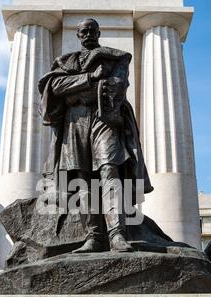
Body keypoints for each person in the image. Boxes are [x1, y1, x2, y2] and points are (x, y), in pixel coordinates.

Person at [39, 19, 153, 253]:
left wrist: (77, 89)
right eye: (84, 31)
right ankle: (94, 237)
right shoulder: (64, 61)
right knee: (82, 178)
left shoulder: (117, 57)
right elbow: (55, 87)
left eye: (92, 30)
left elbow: (117, 86)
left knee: (110, 170)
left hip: (105, 117)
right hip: (75, 121)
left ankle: (117, 235)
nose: (88, 34)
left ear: (99, 33)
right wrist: (90, 79)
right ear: (78, 34)